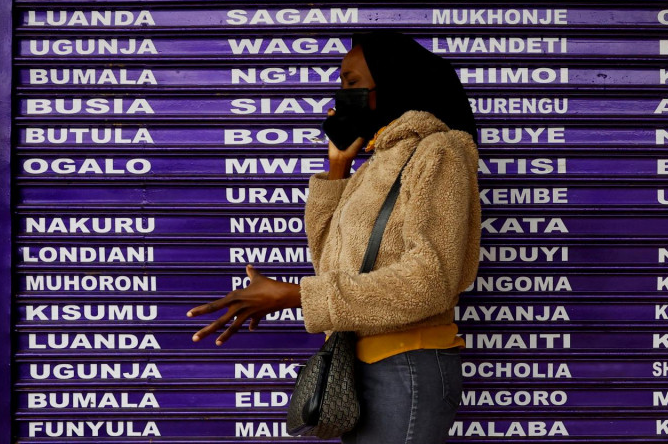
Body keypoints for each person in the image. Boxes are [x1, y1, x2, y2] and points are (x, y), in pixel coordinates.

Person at [187, 31, 482, 443]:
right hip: (361, 366)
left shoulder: (439, 153)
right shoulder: (378, 163)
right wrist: (338, 167)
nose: (340, 95)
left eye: (351, 83)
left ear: (392, 80)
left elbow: (430, 282)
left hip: (405, 366)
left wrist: (295, 296)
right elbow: (330, 261)